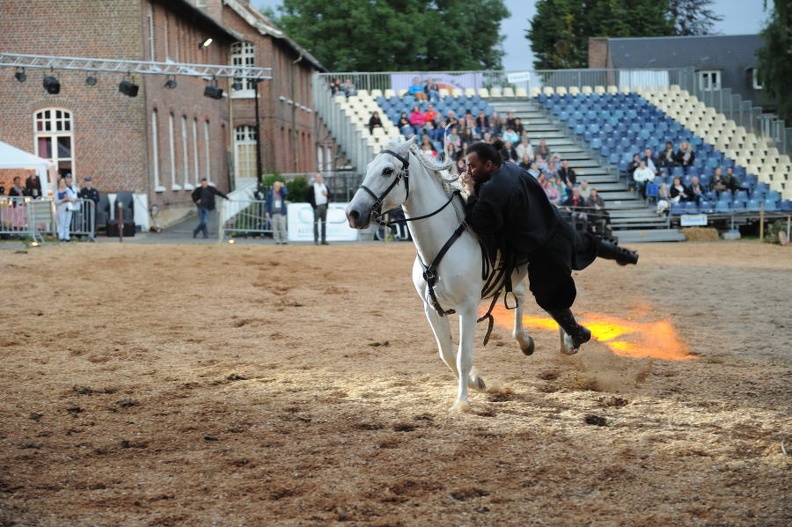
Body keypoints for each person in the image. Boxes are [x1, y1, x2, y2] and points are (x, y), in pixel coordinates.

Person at [459, 140, 638, 354]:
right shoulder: (511, 167)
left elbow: (479, 221)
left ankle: (577, 332)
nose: (467, 170)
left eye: (472, 166)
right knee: (588, 242)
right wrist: (477, 184)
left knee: (548, 297)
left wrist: (470, 190)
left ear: (488, 165)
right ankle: (625, 254)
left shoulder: (493, 189)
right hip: (556, 224)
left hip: (543, 249)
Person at [306, 173, 330, 245]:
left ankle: (323, 240)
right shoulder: (313, 187)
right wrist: (314, 206)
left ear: (322, 178)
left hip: (324, 207)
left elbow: (330, 195)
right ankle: (316, 240)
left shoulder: (325, 186)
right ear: (315, 178)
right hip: (317, 207)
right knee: (316, 224)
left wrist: (327, 194)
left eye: (320, 177)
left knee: (323, 224)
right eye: (317, 177)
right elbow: (307, 198)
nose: (319, 178)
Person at [264, 180, 289, 244]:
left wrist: (283, 187)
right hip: (273, 213)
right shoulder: (270, 193)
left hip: (281, 212)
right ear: (273, 186)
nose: (277, 187)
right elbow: (267, 203)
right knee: (274, 228)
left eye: (278, 186)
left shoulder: (281, 192)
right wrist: (266, 211)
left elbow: (286, 193)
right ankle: (277, 240)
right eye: (276, 186)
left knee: (282, 227)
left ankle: (284, 240)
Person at [54, 176, 78, 242]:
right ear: (59, 183)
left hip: (68, 208)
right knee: (62, 223)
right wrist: (63, 200)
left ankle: (67, 237)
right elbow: (56, 201)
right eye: (61, 182)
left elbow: (73, 198)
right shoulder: (57, 192)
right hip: (61, 209)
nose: (62, 184)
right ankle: (61, 237)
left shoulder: (68, 190)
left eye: (63, 182)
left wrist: (69, 199)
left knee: (67, 223)